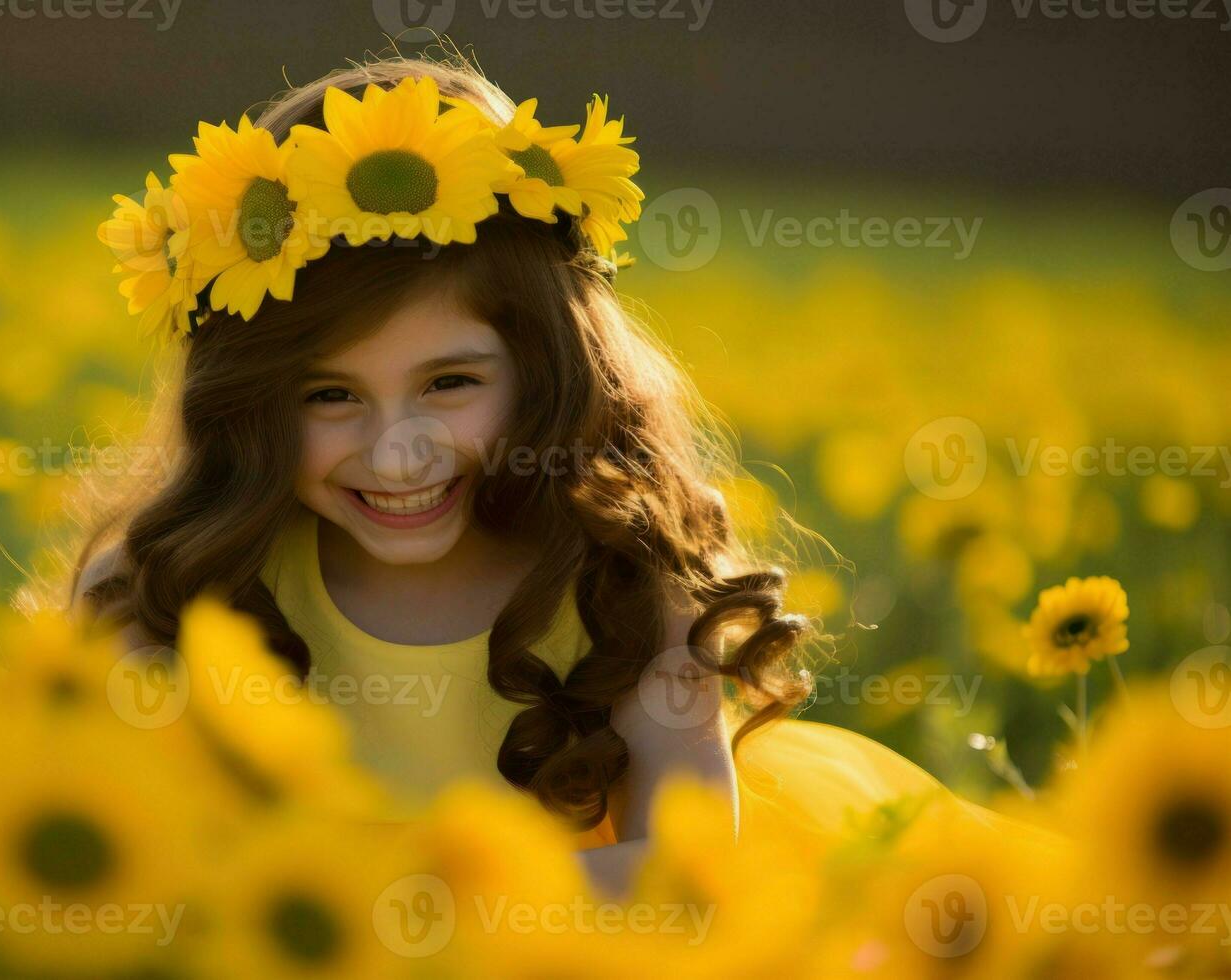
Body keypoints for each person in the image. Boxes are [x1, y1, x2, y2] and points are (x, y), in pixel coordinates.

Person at [56, 47, 1041, 897]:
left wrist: (408, 893)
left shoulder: (616, 579)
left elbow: (684, 863)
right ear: (249, 407)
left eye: (449, 382)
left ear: (545, 368)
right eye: (328, 396)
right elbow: (125, 856)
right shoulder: (189, 590)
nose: (398, 451)